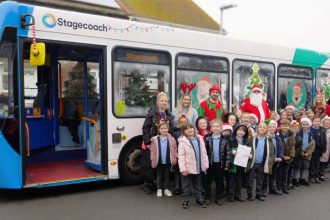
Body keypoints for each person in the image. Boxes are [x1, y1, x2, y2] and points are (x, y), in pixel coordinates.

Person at [142, 92, 173, 194]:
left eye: (165, 101)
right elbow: (146, 128)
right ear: (157, 102)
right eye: (162, 101)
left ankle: (161, 186)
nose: (164, 103)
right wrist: (148, 142)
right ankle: (147, 184)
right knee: (149, 164)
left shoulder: (168, 115)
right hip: (153, 142)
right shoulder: (152, 113)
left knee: (161, 164)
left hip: (163, 143)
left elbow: (171, 130)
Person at [178, 123, 209, 209]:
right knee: (186, 185)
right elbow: (181, 156)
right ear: (184, 132)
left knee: (198, 184)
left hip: (198, 167)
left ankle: (199, 199)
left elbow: (204, 153)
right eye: (187, 129)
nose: (190, 130)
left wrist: (205, 165)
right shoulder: (183, 142)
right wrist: (183, 169)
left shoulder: (200, 139)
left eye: (191, 128)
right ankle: (185, 200)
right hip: (187, 168)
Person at [204, 119, 231, 205]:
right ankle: (207, 197)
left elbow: (228, 153)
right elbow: (204, 152)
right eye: (214, 126)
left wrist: (227, 165)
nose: (216, 128)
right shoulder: (207, 139)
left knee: (219, 181)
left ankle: (218, 198)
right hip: (209, 164)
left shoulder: (225, 140)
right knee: (208, 181)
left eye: (218, 126)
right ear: (211, 128)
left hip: (220, 164)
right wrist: (204, 164)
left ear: (221, 128)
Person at [246, 122, 275, 201]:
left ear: (266, 130)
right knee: (250, 179)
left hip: (262, 163)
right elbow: (248, 148)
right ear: (257, 128)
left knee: (260, 179)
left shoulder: (268, 140)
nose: (262, 129)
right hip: (253, 162)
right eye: (260, 127)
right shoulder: (253, 138)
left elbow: (271, 152)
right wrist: (249, 155)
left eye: (264, 128)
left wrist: (270, 161)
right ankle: (249, 194)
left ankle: (258, 194)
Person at [150, 121, 177, 197]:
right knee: (159, 175)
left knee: (166, 175)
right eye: (161, 128)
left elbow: (174, 149)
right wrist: (152, 159)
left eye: (165, 128)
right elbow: (152, 151)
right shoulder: (155, 140)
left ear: (168, 129)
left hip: (168, 160)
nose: (163, 130)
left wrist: (175, 158)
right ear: (159, 130)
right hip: (159, 160)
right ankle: (159, 189)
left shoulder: (172, 139)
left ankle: (166, 189)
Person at [227, 123, 250, 202]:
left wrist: (249, 154)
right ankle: (230, 195)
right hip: (232, 163)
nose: (241, 132)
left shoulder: (246, 140)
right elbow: (227, 149)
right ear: (236, 130)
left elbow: (249, 150)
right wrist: (231, 151)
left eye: (243, 131)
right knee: (231, 179)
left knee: (239, 179)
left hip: (241, 163)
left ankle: (238, 194)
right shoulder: (230, 139)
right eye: (239, 130)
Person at [292, 118, 315, 187]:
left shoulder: (310, 133)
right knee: (298, 166)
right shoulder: (299, 132)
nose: (305, 126)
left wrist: (308, 152)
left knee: (305, 166)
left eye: (306, 125)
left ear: (309, 125)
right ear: (301, 125)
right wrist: (301, 151)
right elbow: (297, 143)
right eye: (303, 124)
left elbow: (312, 143)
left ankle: (302, 178)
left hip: (307, 153)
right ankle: (294, 179)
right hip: (299, 152)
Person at [262, 120, 283, 196]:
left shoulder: (278, 138)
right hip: (267, 160)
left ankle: (272, 188)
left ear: (275, 128)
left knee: (273, 174)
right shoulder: (265, 137)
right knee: (266, 175)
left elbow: (280, 148)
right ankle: (264, 190)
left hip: (275, 160)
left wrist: (280, 157)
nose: (271, 128)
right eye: (270, 127)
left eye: (273, 127)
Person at [277, 119, 296, 194]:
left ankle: (284, 187)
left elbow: (292, 147)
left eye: (287, 126)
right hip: (280, 157)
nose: (285, 127)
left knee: (285, 174)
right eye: (283, 126)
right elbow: (277, 147)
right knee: (279, 173)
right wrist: (281, 156)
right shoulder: (277, 135)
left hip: (288, 158)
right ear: (280, 126)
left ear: (289, 127)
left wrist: (290, 156)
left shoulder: (291, 136)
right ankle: (279, 187)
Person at [172, 116, 189, 194]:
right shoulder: (175, 132)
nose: (183, 124)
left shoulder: (188, 132)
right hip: (179, 155)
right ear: (179, 123)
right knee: (177, 171)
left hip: (187, 155)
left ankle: (184, 187)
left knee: (185, 171)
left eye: (185, 122)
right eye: (181, 122)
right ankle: (177, 187)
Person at [309, 116, 326, 183]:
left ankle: (316, 176)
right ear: (312, 122)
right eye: (315, 121)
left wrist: (324, 149)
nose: (317, 123)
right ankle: (311, 177)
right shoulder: (310, 130)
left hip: (319, 150)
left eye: (318, 121)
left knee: (317, 164)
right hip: (312, 150)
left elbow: (324, 140)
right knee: (312, 164)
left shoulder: (322, 130)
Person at [320, 116, 330, 181]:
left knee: (324, 162)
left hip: (328, 148)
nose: (326, 124)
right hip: (320, 148)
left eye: (328, 123)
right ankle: (317, 174)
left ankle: (321, 174)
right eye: (325, 123)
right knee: (318, 161)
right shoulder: (320, 130)